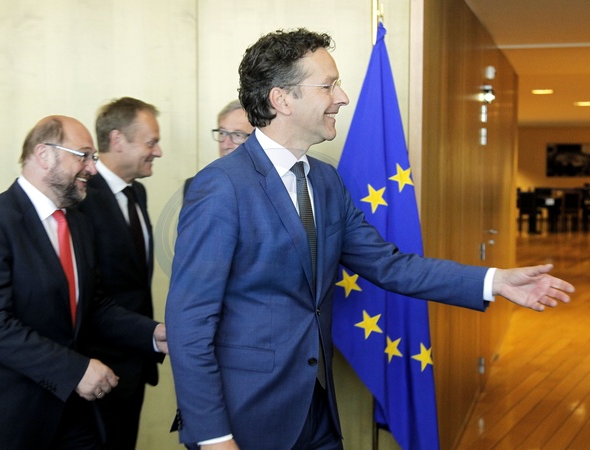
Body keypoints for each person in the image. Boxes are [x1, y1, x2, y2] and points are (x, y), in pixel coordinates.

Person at [165, 28, 574, 450]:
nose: (342, 97)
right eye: (328, 86)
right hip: (245, 419)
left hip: (317, 410)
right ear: (281, 99)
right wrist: (214, 437)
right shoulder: (221, 187)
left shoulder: (325, 181)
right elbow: (189, 324)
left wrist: (495, 281)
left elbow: (390, 264)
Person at [0, 115, 168, 450]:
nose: (92, 168)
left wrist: (153, 334)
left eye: (93, 158)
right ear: (44, 154)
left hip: (67, 413)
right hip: (0, 416)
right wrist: (74, 371)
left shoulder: (78, 224)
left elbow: (93, 306)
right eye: (83, 156)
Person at [78, 97, 164, 449]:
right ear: (117, 140)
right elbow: (88, 295)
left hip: (136, 365)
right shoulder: (81, 198)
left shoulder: (137, 192)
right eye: (151, 142)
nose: (158, 152)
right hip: (97, 372)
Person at [183, 100, 254, 196]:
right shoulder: (197, 186)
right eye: (222, 133)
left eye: (238, 135)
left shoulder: (272, 188)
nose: (225, 145)